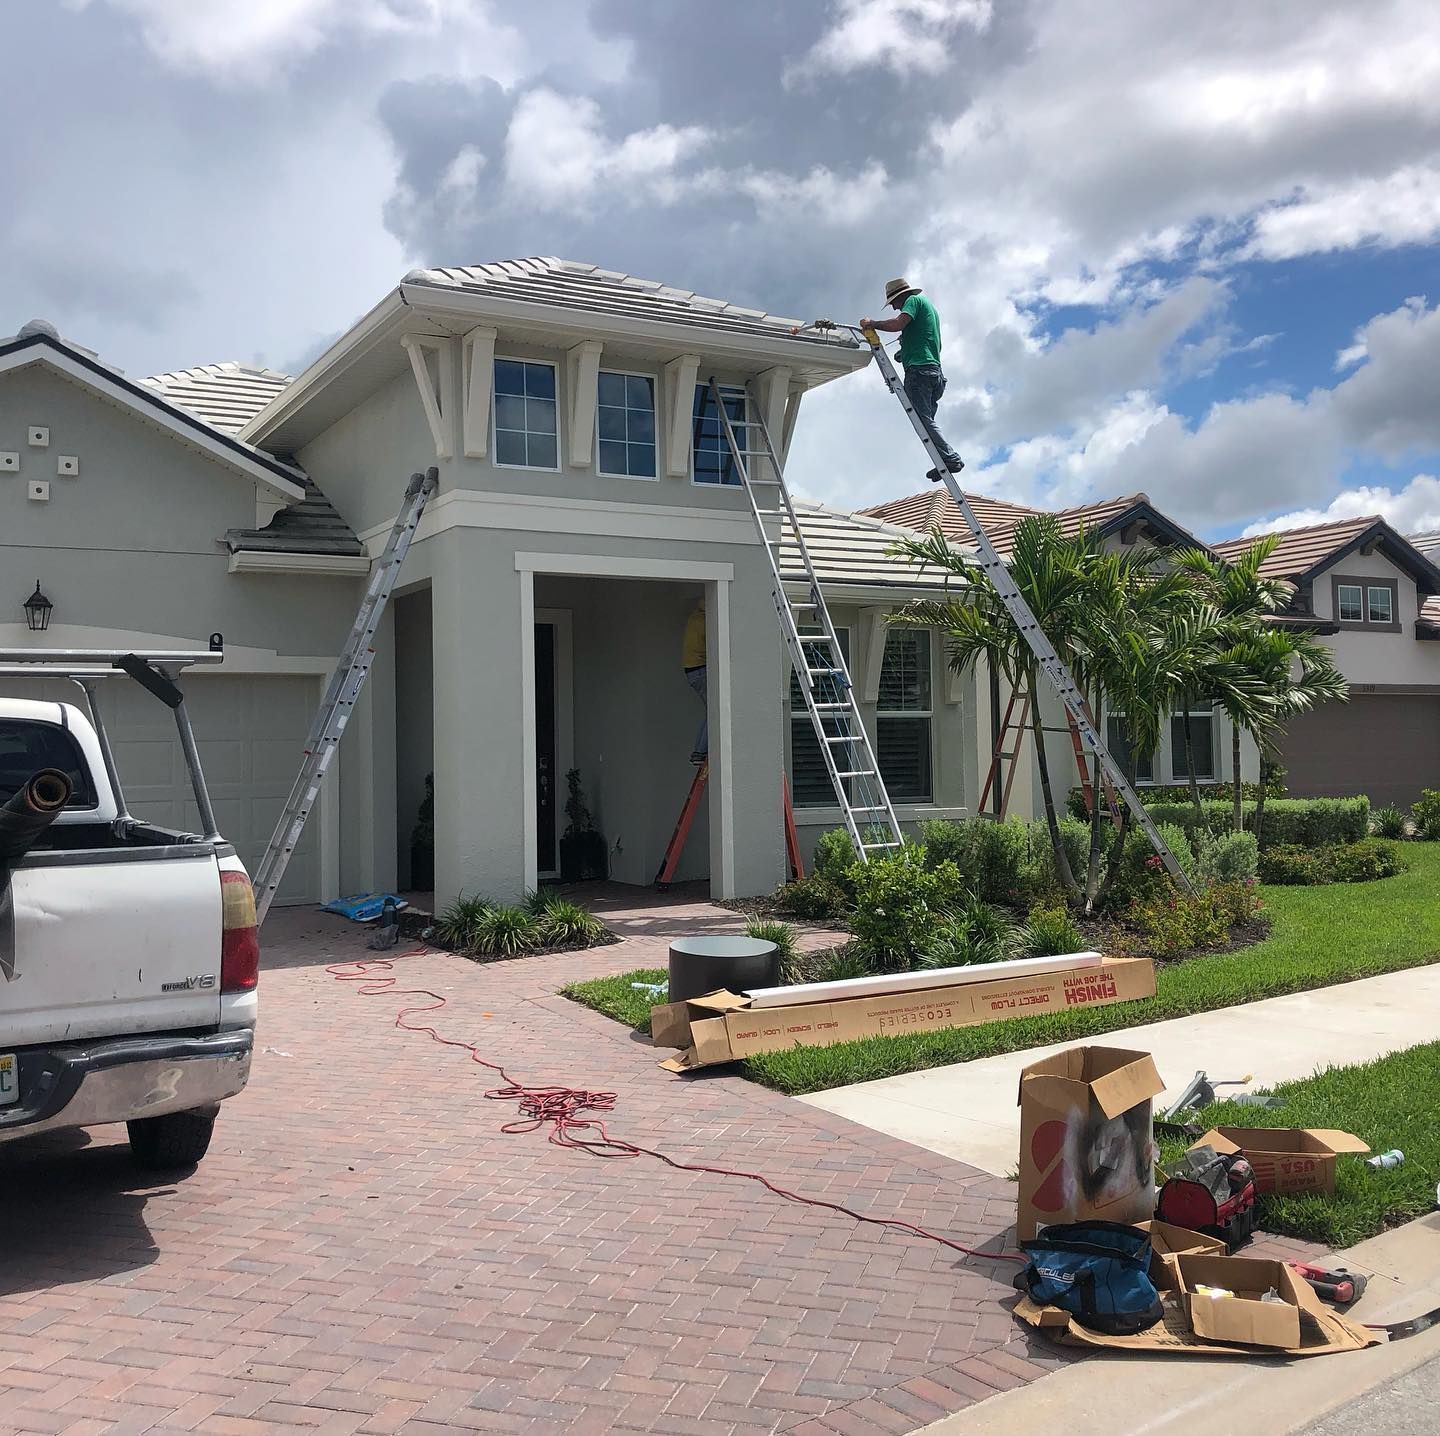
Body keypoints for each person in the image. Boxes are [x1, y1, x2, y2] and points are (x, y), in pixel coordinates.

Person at [861, 277, 965, 482]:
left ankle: (951, 458)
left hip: (921, 373)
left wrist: (872, 324)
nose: (893, 307)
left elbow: (898, 324)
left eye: (893, 302)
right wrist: (904, 351)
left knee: (923, 419)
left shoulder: (913, 302)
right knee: (927, 422)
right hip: (934, 373)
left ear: (900, 296)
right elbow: (920, 338)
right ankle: (943, 460)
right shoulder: (928, 309)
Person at [681, 599, 707, 764]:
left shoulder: (694, 617)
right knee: (715, 712)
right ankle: (699, 751)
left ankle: (699, 751)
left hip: (692, 670)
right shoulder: (705, 620)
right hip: (700, 669)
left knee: (711, 712)